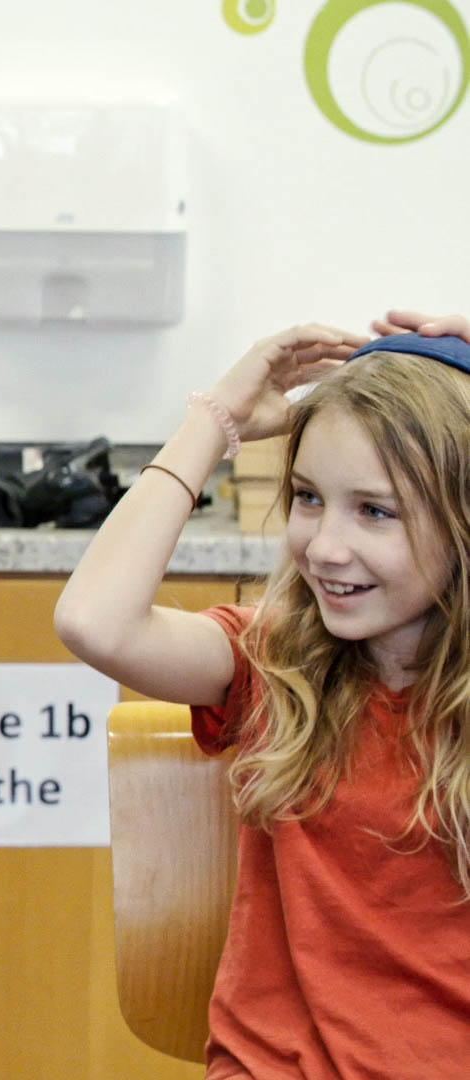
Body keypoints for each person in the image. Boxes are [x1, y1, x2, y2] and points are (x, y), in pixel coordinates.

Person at [54, 310, 470, 1078]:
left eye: (374, 511)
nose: (325, 546)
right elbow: (94, 621)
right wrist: (214, 421)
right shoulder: (275, 661)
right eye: (309, 498)